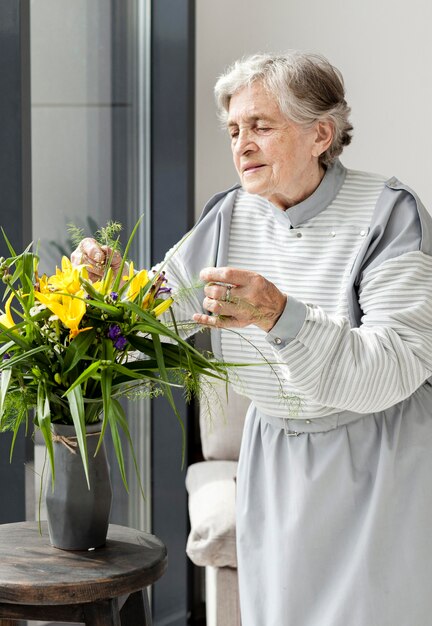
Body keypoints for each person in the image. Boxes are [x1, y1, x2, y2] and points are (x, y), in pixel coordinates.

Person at [74, 52, 432, 626]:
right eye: (235, 129)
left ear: (321, 133)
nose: (242, 143)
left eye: (261, 126)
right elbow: (156, 324)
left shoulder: (389, 212)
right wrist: (111, 293)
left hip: (379, 455)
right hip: (275, 454)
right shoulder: (228, 216)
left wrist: (281, 317)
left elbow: (395, 365)